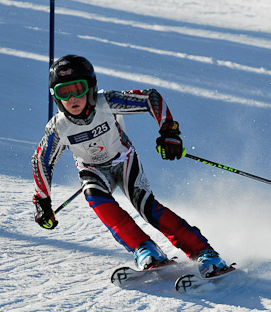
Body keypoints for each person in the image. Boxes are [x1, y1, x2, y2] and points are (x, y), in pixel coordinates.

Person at [31, 54, 228, 277]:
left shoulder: (107, 102)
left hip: (124, 161)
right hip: (92, 170)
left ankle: (204, 252)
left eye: (78, 88)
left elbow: (150, 98)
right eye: (64, 92)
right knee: (98, 201)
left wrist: (169, 132)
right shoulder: (59, 128)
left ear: (92, 88)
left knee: (146, 206)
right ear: (55, 96)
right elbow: (41, 161)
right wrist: (42, 201)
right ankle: (145, 249)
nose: (73, 98)